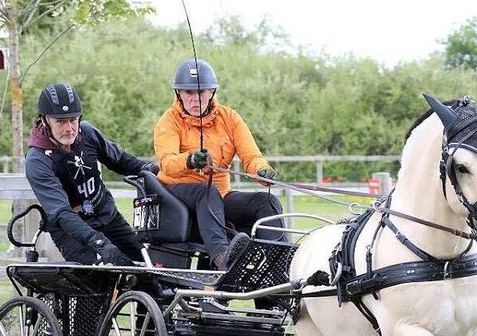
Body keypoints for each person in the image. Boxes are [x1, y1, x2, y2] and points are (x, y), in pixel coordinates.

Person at [153, 58, 285, 270]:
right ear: (179, 94)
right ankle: (223, 259)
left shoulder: (230, 118)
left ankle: (276, 264)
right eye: (189, 93)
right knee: (207, 191)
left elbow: (251, 156)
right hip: (177, 193)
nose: (195, 99)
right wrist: (190, 160)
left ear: (212, 92)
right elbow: (167, 163)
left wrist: (262, 170)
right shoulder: (169, 121)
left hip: (219, 195)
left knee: (266, 201)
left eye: (201, 92)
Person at [25, 83, 157, 266]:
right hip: (70, 229)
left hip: (106, 215)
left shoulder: (87, 133)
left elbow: (122, 162)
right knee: (96, 276)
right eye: (60, 122)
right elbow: (61, 212)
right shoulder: (37, 160)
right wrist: (99, 243)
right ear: (45, 120)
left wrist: (156, 170)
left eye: (73, 120)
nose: (69, 128)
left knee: (146, 266)